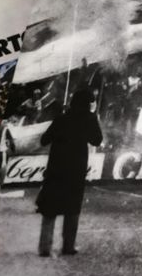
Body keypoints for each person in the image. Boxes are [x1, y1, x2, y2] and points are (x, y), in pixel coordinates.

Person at [36, 90, 102, 257]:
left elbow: (44, 140)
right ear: (88, 104)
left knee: (50, 208)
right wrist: (93, 119)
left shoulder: (61, 118)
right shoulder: (89, 119)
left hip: (56, 168)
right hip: (76, 169)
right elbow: (97, 140)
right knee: (72, 208)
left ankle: (45, 247)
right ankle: (68, 246)